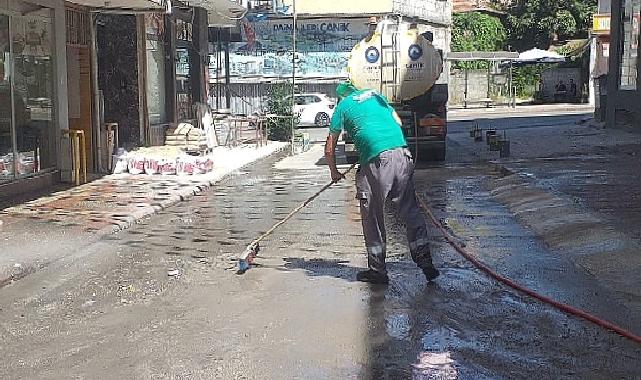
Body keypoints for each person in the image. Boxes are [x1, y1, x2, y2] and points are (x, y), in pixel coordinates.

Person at [324, 81, 440, 284]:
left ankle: (377, 270)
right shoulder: (375, 95)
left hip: (377, 161)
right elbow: (398, 122)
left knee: (372, 213)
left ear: (342, 97)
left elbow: (329, 147)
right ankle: (425, 260)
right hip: (402, 154)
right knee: (410, 210)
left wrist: (334, 171)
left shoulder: (342, 107)